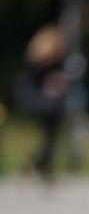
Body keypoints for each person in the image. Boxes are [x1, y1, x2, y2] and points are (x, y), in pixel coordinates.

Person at [14, 25, 67, 182]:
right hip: (37, 99)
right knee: (51, 133)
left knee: (52, 134)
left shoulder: (54, 61)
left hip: (48, 102)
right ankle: (40, 167)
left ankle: (39, 166)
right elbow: (35, 82)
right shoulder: (38, 61)